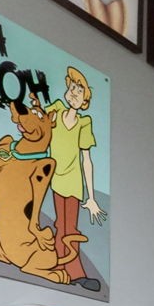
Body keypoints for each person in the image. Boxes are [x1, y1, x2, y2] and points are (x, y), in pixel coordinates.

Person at [48, 67, 104, 292]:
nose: (73, 93)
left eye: (79, 92)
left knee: (68, 228)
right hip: (51, 175)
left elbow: (86, 160)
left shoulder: (84, 123)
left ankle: (75, 272)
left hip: (72, 183)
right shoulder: (57, 109)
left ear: (84, 102)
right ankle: (58, 266)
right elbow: (40, 124)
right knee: (58, 225)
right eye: (72, 88)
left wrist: (91, 197)